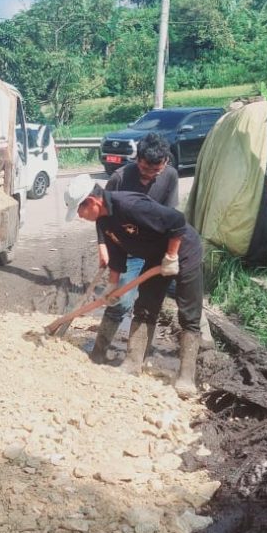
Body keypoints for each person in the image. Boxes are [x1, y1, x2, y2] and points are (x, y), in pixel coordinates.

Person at [65, 173, 203, 397]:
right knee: (145, 307)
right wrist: (112, 286)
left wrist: (171, 256)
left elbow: (177, 221)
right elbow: (117, 254)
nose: (80, 216)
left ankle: (186, 376)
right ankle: (132, 363)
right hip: (155, 255)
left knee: (189, 312)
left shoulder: (130, 205)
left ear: (92, 202)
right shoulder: (104, 219)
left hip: (183, 250)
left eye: (80, 211)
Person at [91, 133, 180, 363]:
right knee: (119, 299)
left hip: (156, 249)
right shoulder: (120, 178)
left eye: (155, 171)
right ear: (137, 159)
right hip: (127, 250)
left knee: (178, 294)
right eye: (144, 169)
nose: (149, 175)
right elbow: (102, 217)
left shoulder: (170, 176)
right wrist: (103, 246)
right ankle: (98, 353)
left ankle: (201, 344)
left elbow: (171, 218)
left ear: (165, 163)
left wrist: (169, 255)